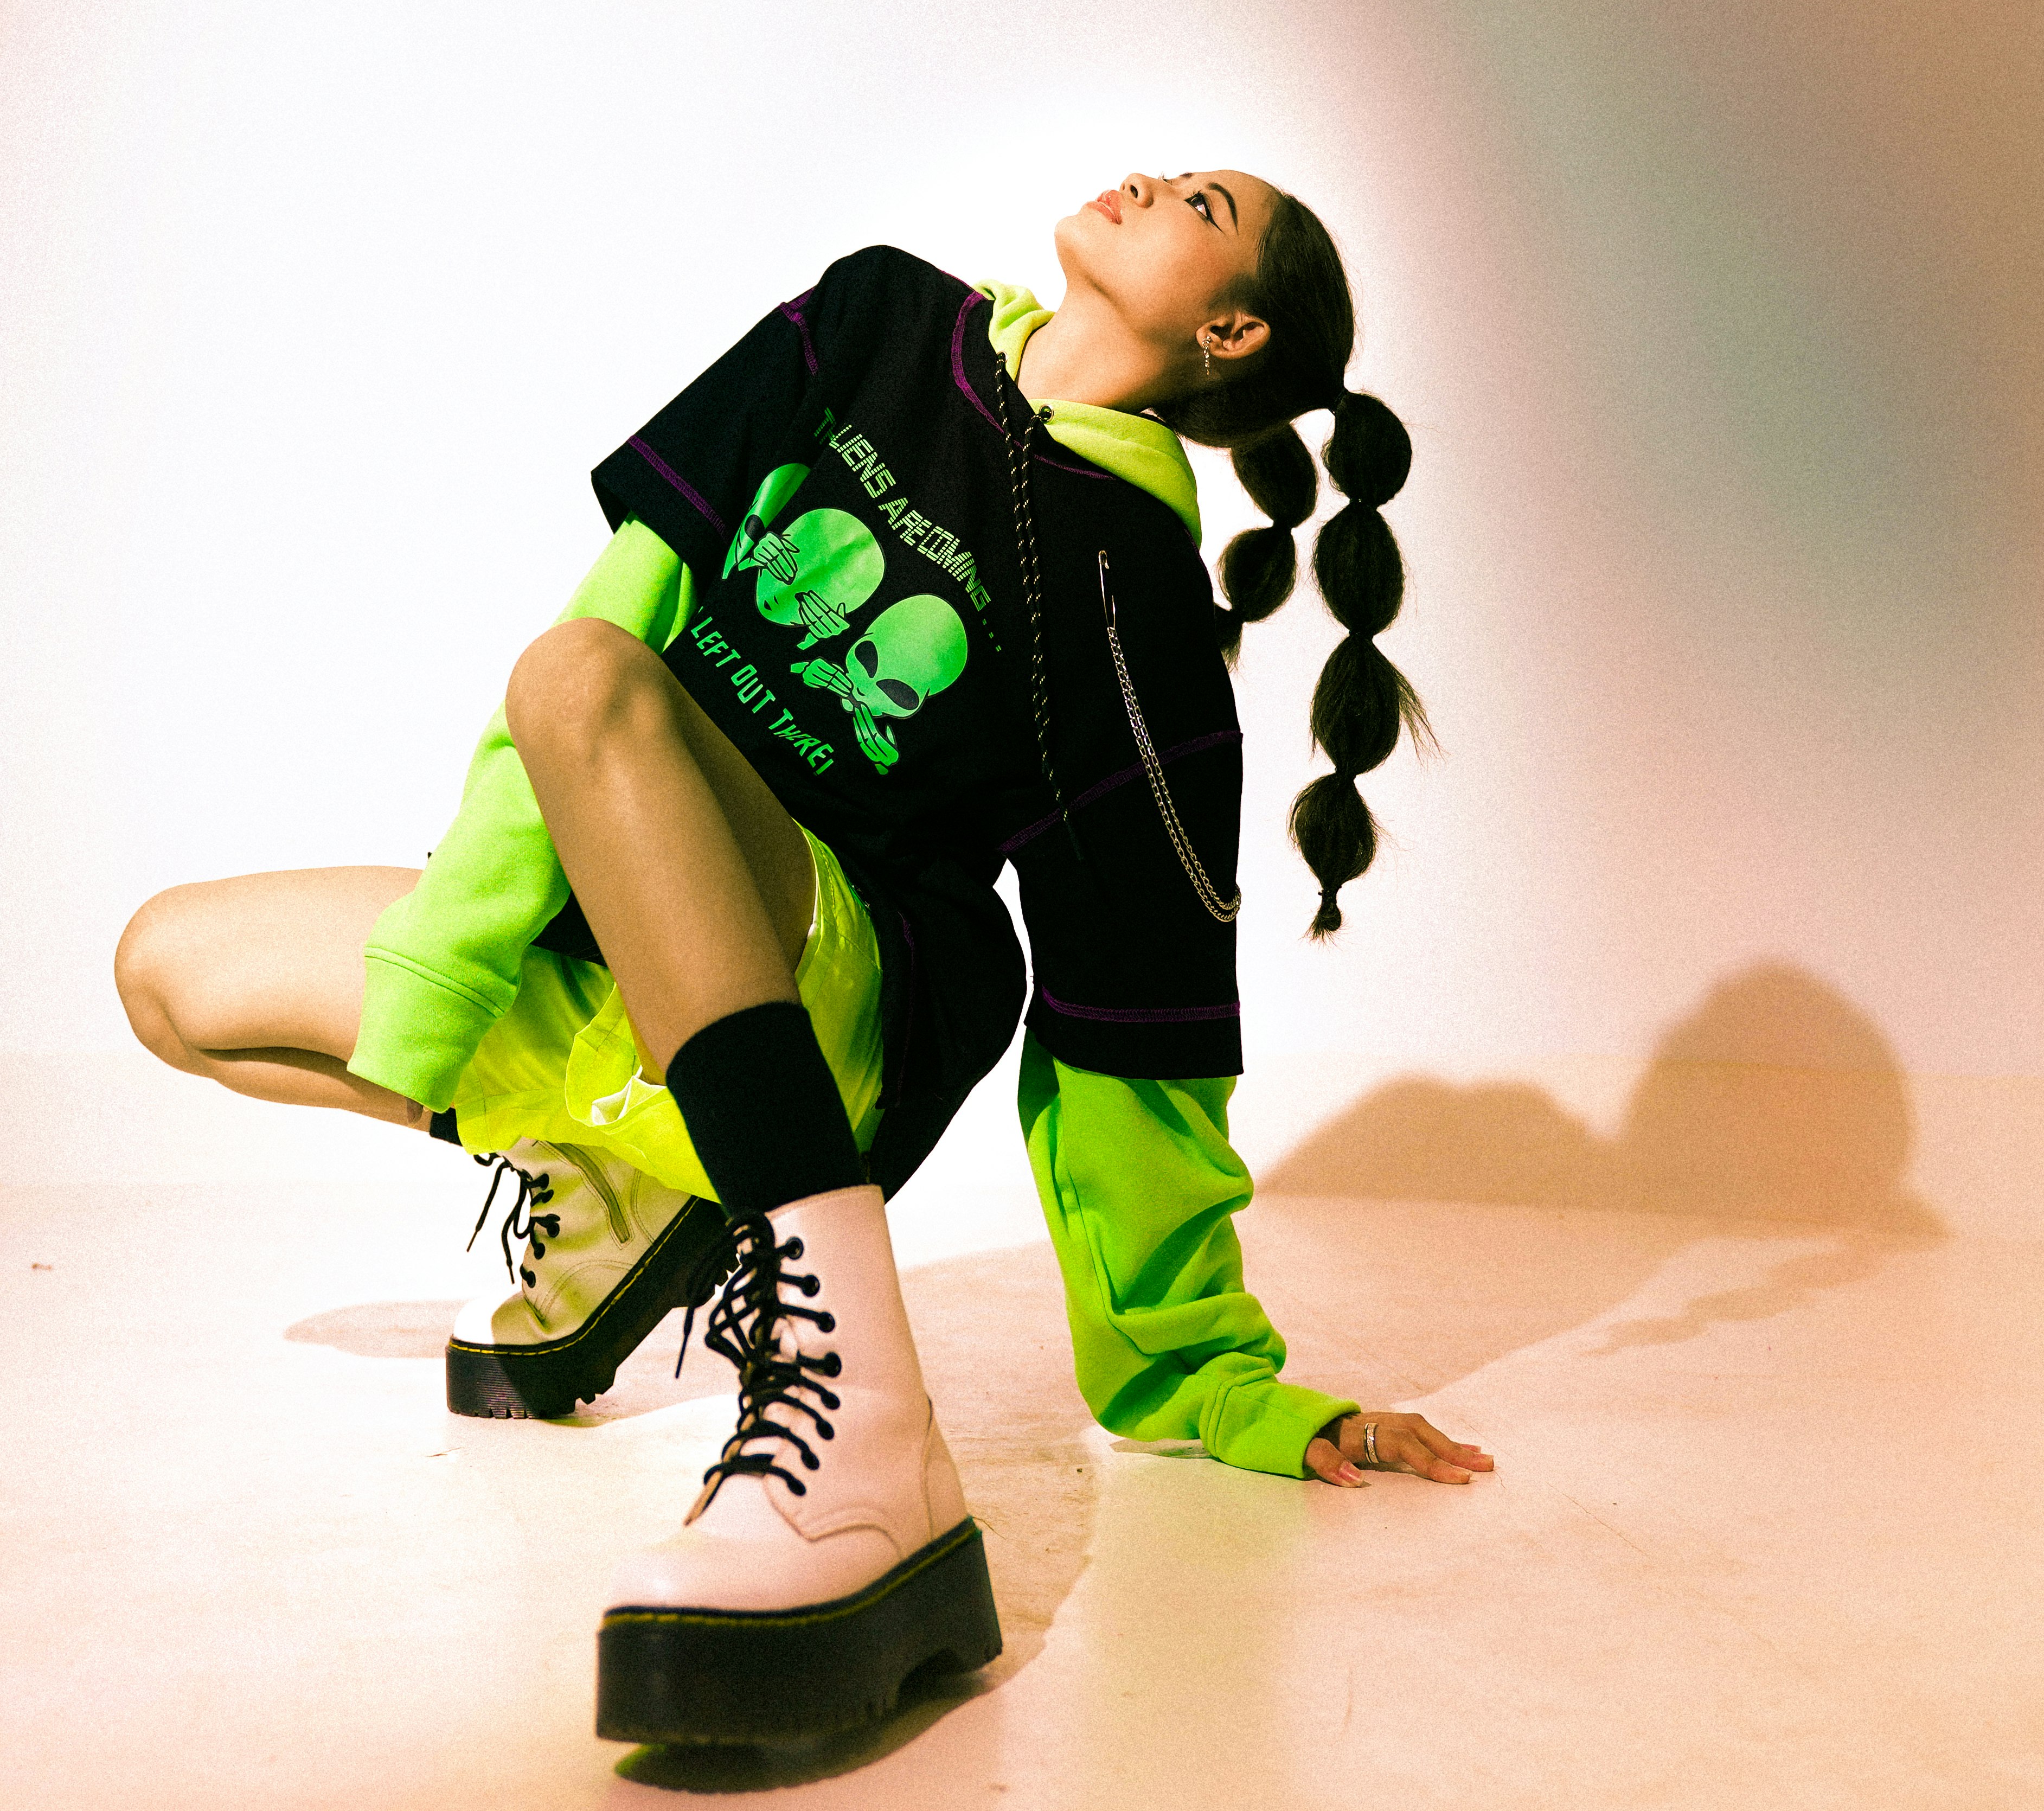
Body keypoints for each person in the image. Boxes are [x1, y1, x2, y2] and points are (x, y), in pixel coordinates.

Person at [113, 171, 1493, 1746]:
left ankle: (862, 1425)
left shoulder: (1134, 599)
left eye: (1199, 202)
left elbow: (1134, 1024)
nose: (1146, 178)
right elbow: (630, 589)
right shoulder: (877, 318)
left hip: (849, 982)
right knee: (170, 972)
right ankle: (635, 1172)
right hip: (614, 914)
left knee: (580, 683)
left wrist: (1218, 1380)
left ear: (1227, 326)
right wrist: (459, 942)